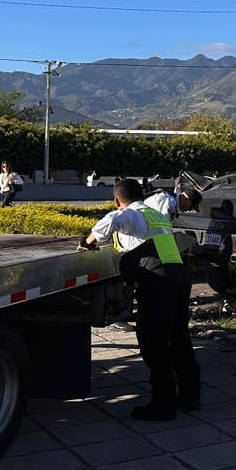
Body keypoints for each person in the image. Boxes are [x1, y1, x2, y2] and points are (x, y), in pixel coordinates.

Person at [79, 179, 200, 421]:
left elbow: (111, 221)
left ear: (117, 201)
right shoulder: (155, 213)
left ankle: (163, 405)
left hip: (157, 280)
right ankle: (190, 397)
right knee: (178, 337)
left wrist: (87, 242)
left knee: (153, 341)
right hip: (178, 275)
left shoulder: (131, 214)